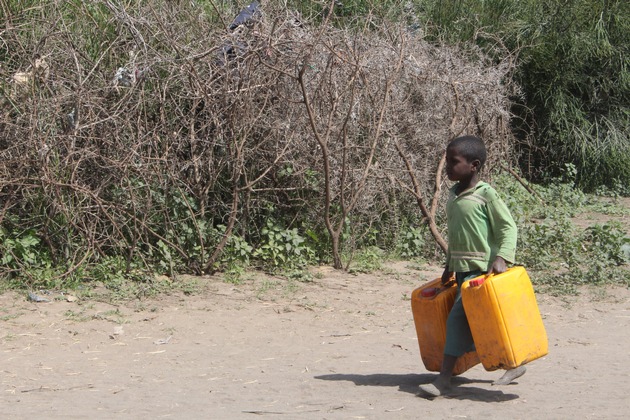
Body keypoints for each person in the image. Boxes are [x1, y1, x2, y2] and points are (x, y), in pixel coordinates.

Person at [418, 135, 526, 397]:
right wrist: (450, 265)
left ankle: (443, 380)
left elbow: (508, 227)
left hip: (482, 272)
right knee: (481, 323)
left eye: (453, 162)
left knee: (457, 320)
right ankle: (514, 364)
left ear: (474, 165)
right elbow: (458, 235)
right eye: (447, 161)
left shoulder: (485, 194)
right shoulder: (453, 195)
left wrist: (502, 257)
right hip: (462, 270)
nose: (448, 167)